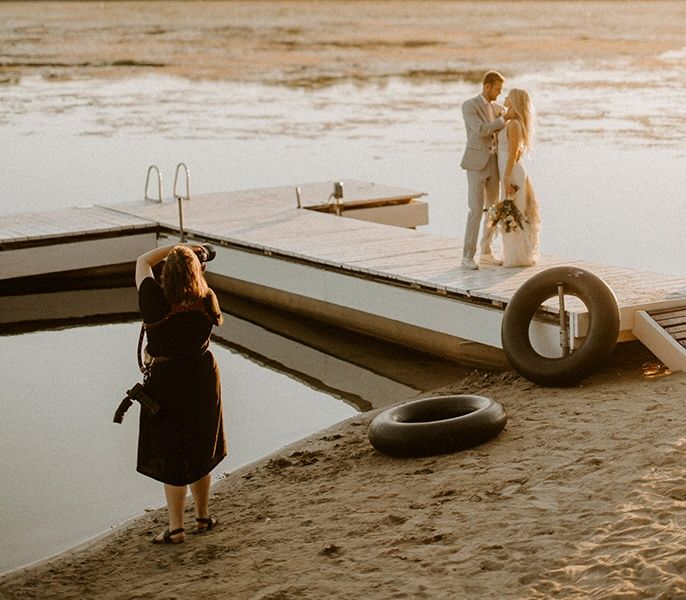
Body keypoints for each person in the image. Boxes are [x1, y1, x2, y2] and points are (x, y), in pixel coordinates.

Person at [134, 243, 227, 544]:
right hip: (201, 377)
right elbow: (211, 314)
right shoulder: (207, 298)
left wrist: (176, 248)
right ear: (197, 272)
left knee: (172, 454)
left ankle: (176, 528)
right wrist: (193, 261)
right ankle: (202, 517)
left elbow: (142, 261)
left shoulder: (153, 299)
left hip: (167, 381)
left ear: (165, 278)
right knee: (201, 446)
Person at [460, 70, 510, 270]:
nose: (499, 93)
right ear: (487, 86)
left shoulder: (496, 107)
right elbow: (481, 130)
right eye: (497, 89)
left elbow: (509, 111)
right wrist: (503, 121)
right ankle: (467, 256)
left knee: (493, 209)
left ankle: (487, 252)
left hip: (493, 163)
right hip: (476, 164)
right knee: (475, 210)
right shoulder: (469, 106)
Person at [496, 88, 540, 267]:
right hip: (507, 169)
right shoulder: (510, 122)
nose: (505, 97)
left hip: (511, 171)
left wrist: (506, 178)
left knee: (512, 212)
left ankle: (516, 257)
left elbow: (513, 153)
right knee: (510, 212)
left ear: (514, 101)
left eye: (508, 96)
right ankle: (512, 255)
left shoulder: (514, 124)